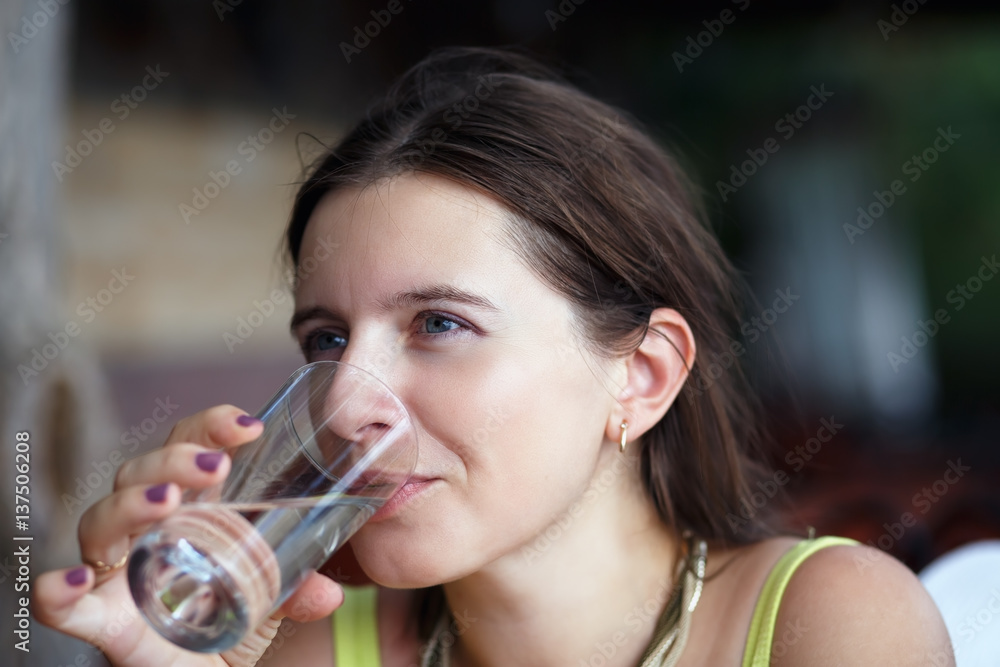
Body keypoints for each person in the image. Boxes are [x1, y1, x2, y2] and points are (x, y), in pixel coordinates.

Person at [34, 46, 954, 666]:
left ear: (641, 374)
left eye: (438, 323)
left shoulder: (829, 624)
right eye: (326, 339)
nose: (349, 405)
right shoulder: (298, 643)